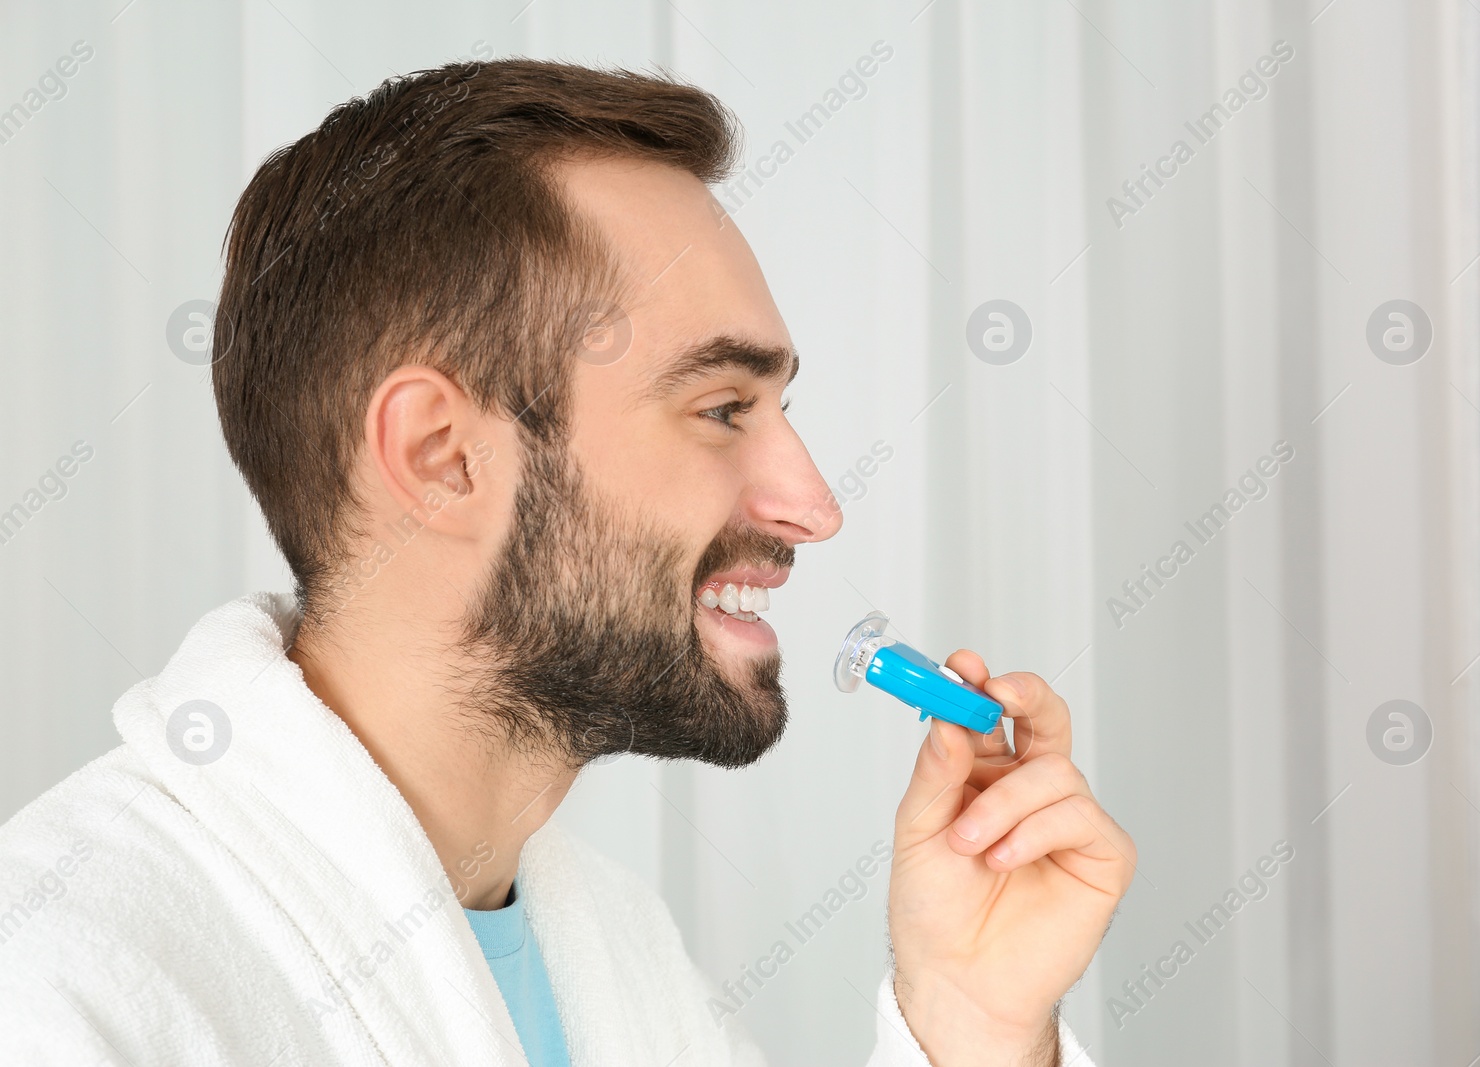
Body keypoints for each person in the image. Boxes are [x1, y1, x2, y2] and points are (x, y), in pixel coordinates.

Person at [0, 59, 1135, 1066]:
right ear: (443, 458)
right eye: (722, 406)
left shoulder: (610, 948)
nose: (814, 506)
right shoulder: (54, 975)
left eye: (780, 406)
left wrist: (972, 1025)